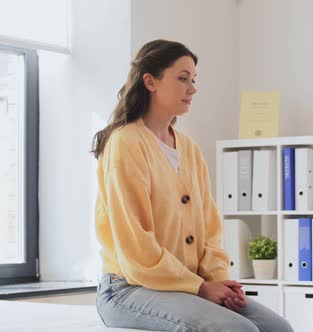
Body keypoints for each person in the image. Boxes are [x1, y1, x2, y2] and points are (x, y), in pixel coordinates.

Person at [91, 39, 293, 332]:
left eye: (193, 80)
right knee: (239, 330)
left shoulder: (189, 148)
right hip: (128, 288)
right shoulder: (125, 143)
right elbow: (135, 244)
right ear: (150, 82)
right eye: (183, 79)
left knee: (278, 328)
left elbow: (210, 229)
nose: (192, 89)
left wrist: (216, 280)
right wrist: (200, 288)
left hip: (186, 285)